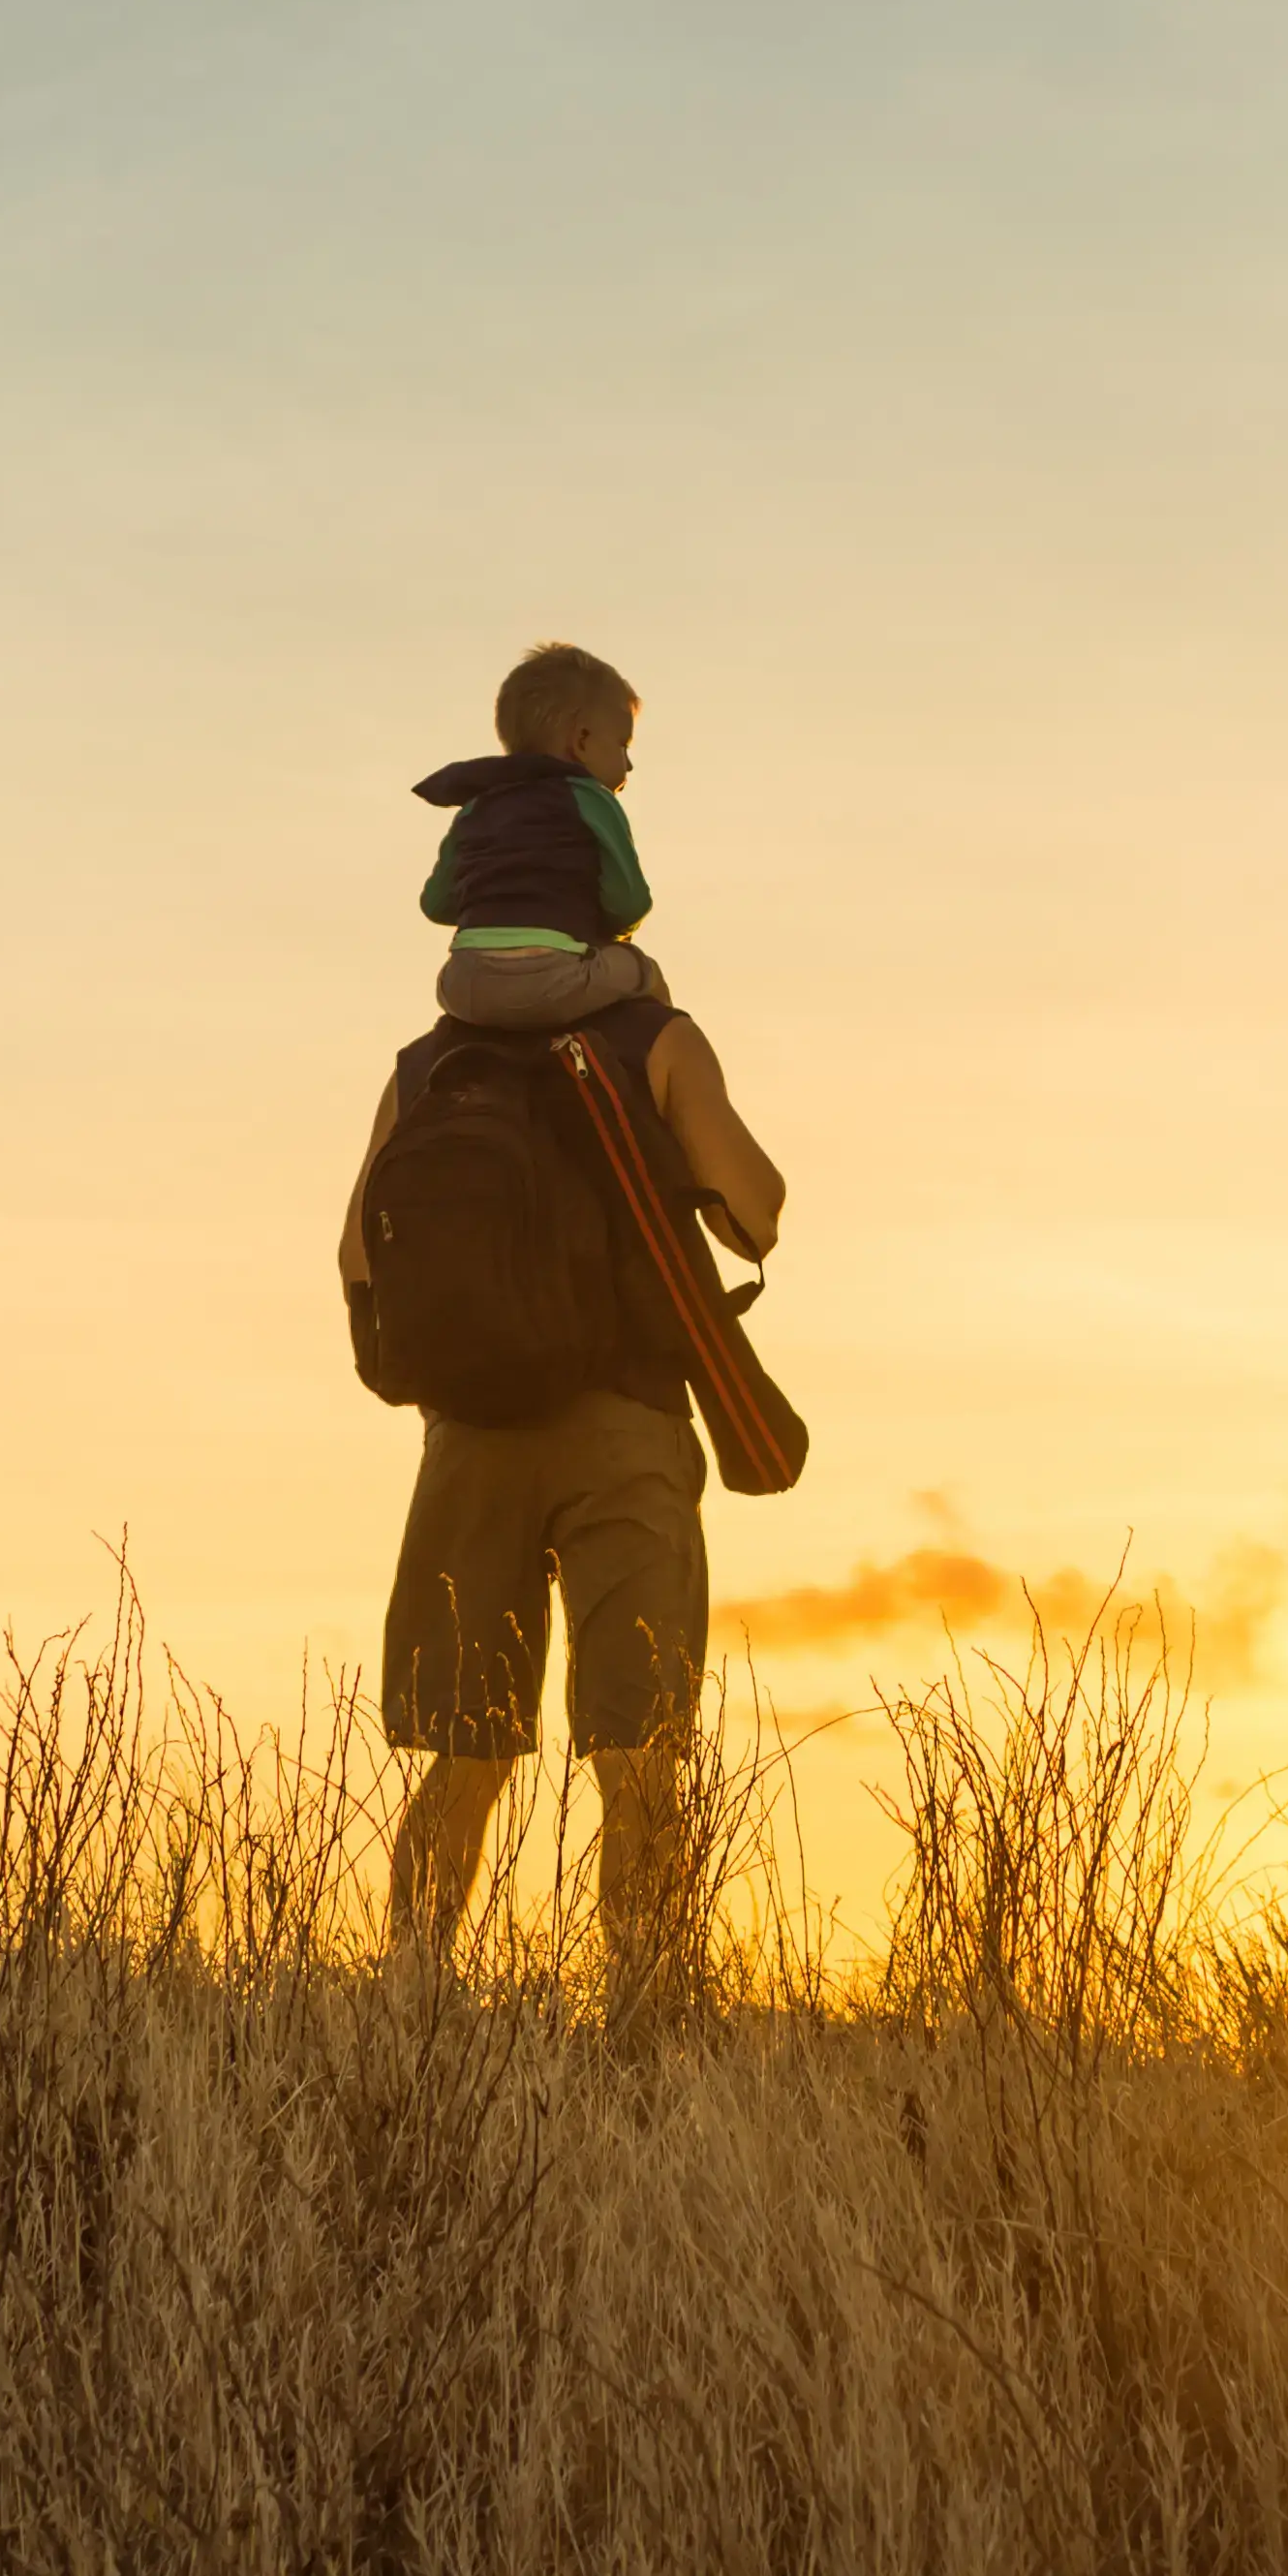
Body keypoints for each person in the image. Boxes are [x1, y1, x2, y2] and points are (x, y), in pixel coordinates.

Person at [343, 654, 788, 2007]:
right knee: (640, 1745)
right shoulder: (656, 1034)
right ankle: (645, 2013)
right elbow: (758, 1211)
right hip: (624, 1428)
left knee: (464, 1749)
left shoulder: (430, 1064)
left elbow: (361, 1242)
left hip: (467, 1432)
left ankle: (413, 2004)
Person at [415, 641, 669, 1030]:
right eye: (622, 745)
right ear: (582, 740)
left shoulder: (474, 804)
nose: (628, 764)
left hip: (462, 985)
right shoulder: (591, 799)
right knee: (643, 972)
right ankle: (659, 1073)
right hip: (550, 979)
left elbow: (436, 904)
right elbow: (630, 902)